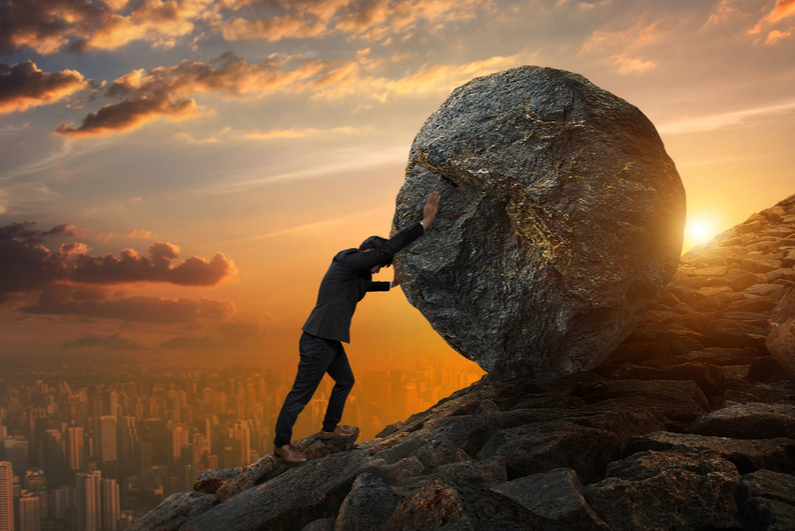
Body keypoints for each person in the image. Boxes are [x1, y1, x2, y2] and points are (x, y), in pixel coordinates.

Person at [272, 191, 441, 463]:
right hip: (318, 339)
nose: (377, 270)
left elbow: (364, 286)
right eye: (378, 265)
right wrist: (425, 222)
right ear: (368, 253)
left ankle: (328, 430)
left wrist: (390, 285)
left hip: (329, 340)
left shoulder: (355, 275)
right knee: (300, 395)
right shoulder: (347, 259)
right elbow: (387, 249)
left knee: (345, 380)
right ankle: (281, 446)